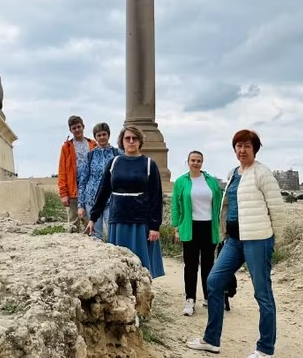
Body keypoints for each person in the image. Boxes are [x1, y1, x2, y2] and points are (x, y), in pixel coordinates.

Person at [187, 129, 286, 358]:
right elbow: (228, 206)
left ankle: (265, 349)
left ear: (254, 149)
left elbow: (277, 210)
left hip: (257, 240)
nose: (242, 150)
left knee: (262, 293)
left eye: (247, 146)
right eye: (239, 146)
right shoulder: (233, 173)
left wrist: (274, 241)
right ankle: (211, 340)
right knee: (214, 281)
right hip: (234, 240)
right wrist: (223, 232)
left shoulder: (262, 173)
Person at [87, 125, 164, 278]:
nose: (131, 141)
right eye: (127, 138)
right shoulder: (114, 162)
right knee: (119, 266)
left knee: (140, 266)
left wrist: (155, 226)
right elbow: (103, 192)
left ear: (140, 141)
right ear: (122, 141)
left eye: (134, 138)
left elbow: (156, 197)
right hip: (118, 220)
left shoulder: (149, 164)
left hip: (140, 221)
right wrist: (93, 217)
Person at [171, 150, 223, 316]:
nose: (195, 163)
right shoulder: (181, 181)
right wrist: (176, 227)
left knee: (209, 265)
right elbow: (175, 205)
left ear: (202, 163)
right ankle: (190, 299)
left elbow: (219, 203)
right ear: (188, 162)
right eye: (193, 160)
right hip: (190, 226)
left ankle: (208, 297)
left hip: (209, 226)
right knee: (191, 266)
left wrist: (222, 226)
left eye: (198, 160)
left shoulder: (211, 181)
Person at [77, 122, 121, 240]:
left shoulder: (117, 154)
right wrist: (80, 205)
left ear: (108, 135)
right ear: (95, 137)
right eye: (99, 135)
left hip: (111, 201)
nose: (102, 137)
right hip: (92, 201)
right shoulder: (89, 156)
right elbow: (82, 182)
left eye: (104, 134)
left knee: (113, 232)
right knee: (95, 235)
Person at [57, 115, 96, 229]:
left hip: (89, 189)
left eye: (79, 127)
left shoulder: (93, 144)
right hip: (73, 189)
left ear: (83, 126)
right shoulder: (66, 147)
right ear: (70, 130)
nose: (77, 130)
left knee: (90, 221)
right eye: (74, 128)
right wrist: (63, 193)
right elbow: (62, 170)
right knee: (74, 223)